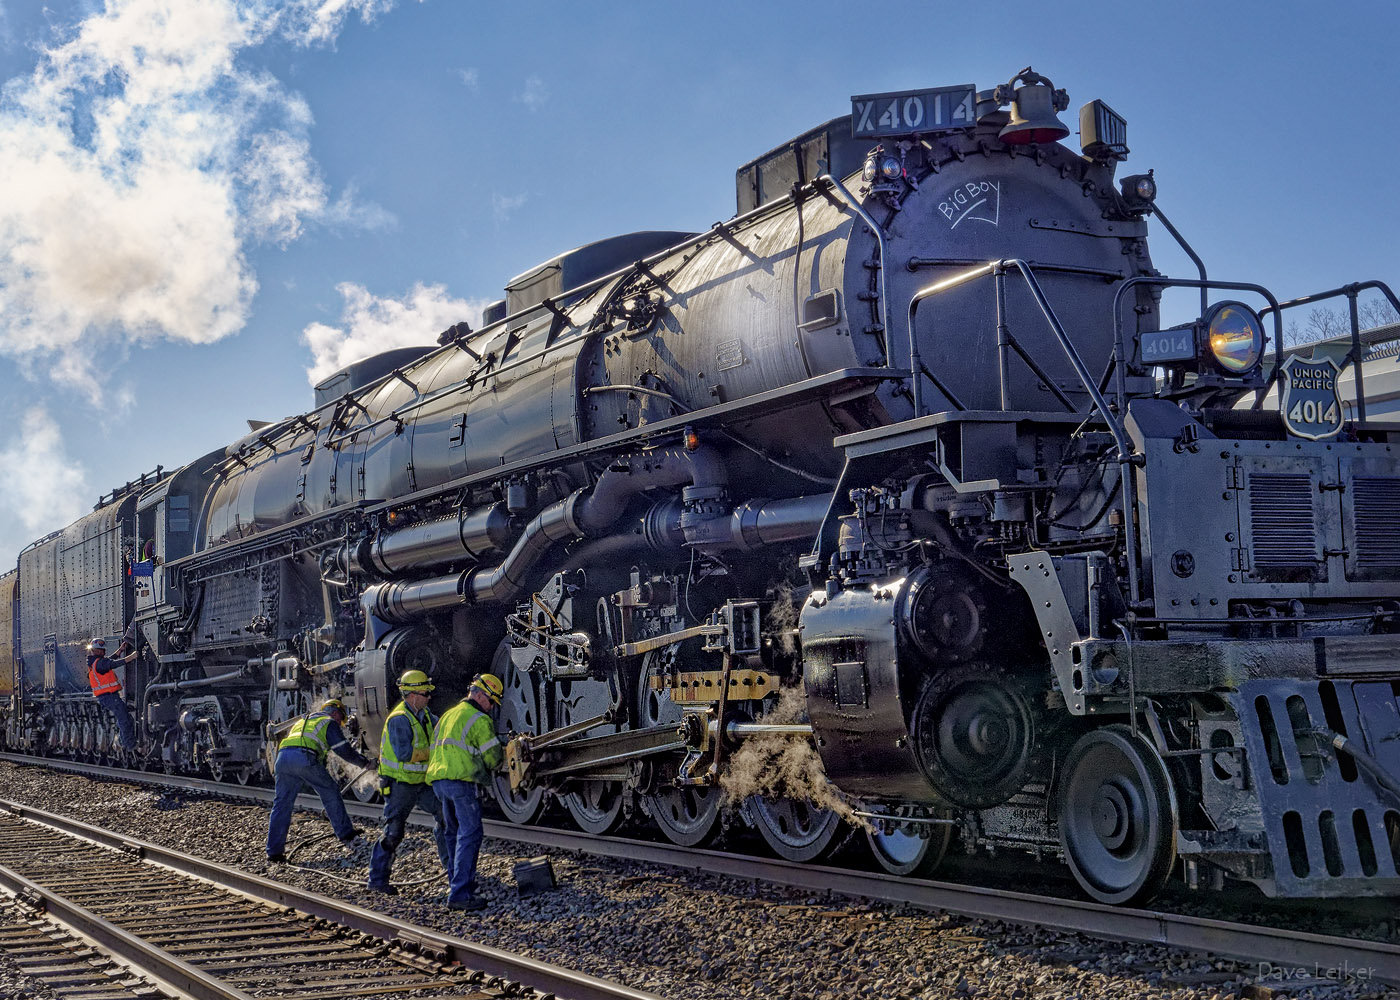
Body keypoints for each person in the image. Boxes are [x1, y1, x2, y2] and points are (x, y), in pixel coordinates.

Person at [367, 669, 451, 894]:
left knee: (446, 816)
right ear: (413, 695)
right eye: (425, 693)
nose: (429, 697)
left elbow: (440, 729)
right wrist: (433, 751)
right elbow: (404, 754)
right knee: (393, 832)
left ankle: (453, 870)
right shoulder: (399, 720)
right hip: (400, 785)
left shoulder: (425, 715)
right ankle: (377, 880)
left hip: (421, 783)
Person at [426, 673, 504, 911]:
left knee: (452, 833)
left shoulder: (448, 714)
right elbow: (493, 757)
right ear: (479, 694)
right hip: (461, 782)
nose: (491, 708)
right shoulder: (478, 719)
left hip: (439, 782)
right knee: (470, 834)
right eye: (491, 702)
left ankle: (456, 884)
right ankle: (461, 893)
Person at [266, 698, 369, 863]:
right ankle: (346, 834)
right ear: (336, 713)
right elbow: (344, 750)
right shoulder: (328, 722)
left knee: (282, 804)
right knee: (330, 791)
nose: (340, 724)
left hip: (283, 759)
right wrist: (364, 763)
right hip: (303, 757)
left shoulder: (303, 721)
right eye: (341, 720)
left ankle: (274, 852)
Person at [86, 637, 137, 751]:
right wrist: (131, 657)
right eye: (101, 650)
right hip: (109, 696)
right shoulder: (99, 664)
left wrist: (120, 650)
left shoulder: (95, 663)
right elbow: (113, 664)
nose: (102, 652)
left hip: (107, 697)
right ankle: (129, 744)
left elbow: (109, 660)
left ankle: (121, 737)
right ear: (99, 651)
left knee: (125, 716)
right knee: (123, 718)